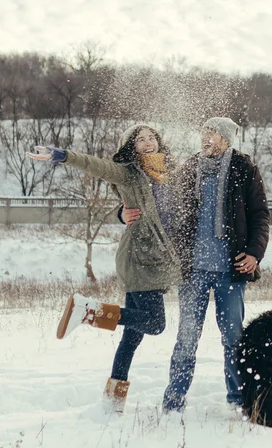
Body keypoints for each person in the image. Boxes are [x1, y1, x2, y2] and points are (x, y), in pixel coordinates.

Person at [26, 124, 182, 414]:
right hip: (141, 255)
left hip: (156, 257)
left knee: (132, 335)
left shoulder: (169, 174)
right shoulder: (128, 172)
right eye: (140, 140)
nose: (148, 143)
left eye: (151, 138)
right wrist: (63, 156)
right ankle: (87, 311)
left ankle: (113, 401)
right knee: (155, 324)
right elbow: (98, 167)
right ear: (131, 148)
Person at [122, 117, 270, 412]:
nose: (206, 138)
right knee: (186, 338)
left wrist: (254, 253)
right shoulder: (189, 168)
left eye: (212, 133)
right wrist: (122, 212)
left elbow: (260, 215)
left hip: (232, 267)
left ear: (226, 139)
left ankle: (237, 399)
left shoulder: (243, 168)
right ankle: (174, 401)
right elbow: (157, 199)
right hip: (192, 270)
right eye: (203, 132)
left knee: (233, 337)